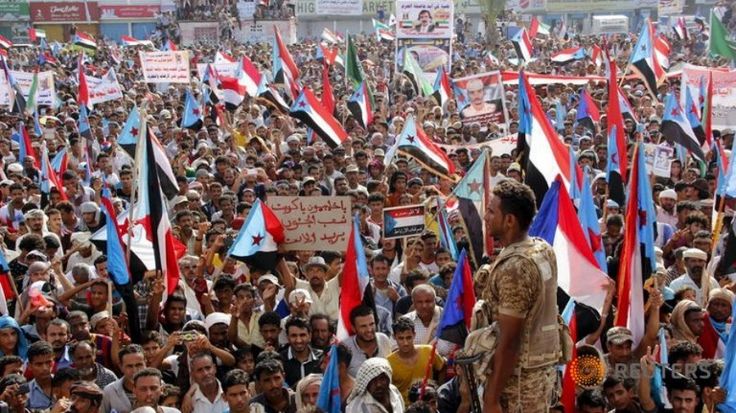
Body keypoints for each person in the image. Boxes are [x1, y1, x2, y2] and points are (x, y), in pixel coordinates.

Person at [481, 180, 561, 412]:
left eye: (491, 211)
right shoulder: (541, 248)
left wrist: (492, 398)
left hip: (518, 384)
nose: (486, 217)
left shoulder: (516, 268)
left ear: (509, 221)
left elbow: (510, 341)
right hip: (540, 373)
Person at [387, 317, 445, 404]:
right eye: (401, 338)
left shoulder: (428, 351)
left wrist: (439, 390)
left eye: (408, 337)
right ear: (394, 337)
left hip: (428, 405)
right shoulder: (388, 362)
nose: (405, 343)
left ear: (414, 334)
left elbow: (442, 368)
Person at [103, 344, 147, 413]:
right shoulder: (109, 391)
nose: (135, 370)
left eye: (139, 365)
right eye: (129, 366)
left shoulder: (157, 386)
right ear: (121, 367)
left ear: (145, 363)